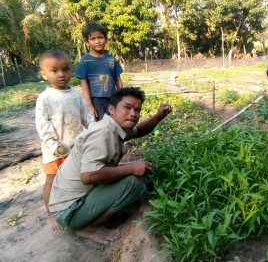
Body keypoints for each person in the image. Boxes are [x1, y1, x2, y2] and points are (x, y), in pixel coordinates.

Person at [48, 87, 172, 244]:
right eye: (127, 107)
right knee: (133, 184)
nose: (133, 114)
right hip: (69, 211)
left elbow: (139, 130)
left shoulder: (115, 127)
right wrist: (131, 168)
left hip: (72, 202)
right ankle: (89, 228)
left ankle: (93, 214)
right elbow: (88, 176)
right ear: (111, 109)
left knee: (129, 171)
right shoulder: (102, 133)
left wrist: (158, 116)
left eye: (137, 110)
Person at [35, 50, 95, 230]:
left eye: (66, 69)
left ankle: (75, 208)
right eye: (55, 71)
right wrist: (54, 146)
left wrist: (95, 132)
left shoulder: (76, 94)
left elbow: (87, 117)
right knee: (52, 181)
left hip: (76, 149)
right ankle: (50, 213)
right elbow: (42, 125)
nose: (61, 74)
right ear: (44, 74)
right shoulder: (45, 98)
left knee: (75, 180)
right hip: (55, 150)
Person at [75, 22, 124, 121]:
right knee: (101, 127)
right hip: (96, 100)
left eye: (100, 37)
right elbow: (84, 84)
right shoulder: (85, 60)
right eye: (93, 39)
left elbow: (118, 80)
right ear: (87, 43)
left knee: (116, 124)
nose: (97, 41)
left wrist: (122, 97)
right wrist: (89, 105)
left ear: (105, 39)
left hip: (113, 98)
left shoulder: (111, 59)